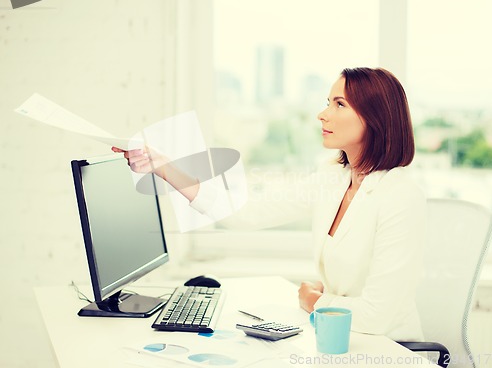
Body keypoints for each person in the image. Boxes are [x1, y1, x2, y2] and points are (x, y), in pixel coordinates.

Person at [113, 67, 426, 341]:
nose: (323, 113)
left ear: (375, 119)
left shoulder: (399, 195)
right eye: (327, 102)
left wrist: (316, 301)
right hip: (341, 342)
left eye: (339, 104)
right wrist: (164, 166)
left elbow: (377, 315)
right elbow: (246, 213)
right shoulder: (333, 178)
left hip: (389, 349)